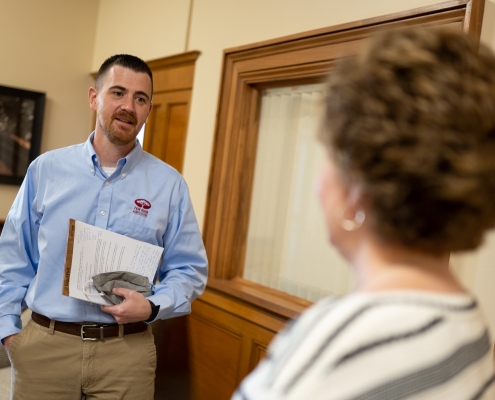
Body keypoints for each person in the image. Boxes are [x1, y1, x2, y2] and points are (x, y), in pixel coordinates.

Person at [233, 27, 495, 399]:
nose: (319, 182)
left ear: (357, 188)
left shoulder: (337, 346)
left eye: (327, 153)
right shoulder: (469, 324)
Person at [0, 54, 208, 399]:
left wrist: (153, 306)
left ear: (148, 110)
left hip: (126, 354)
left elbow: (189, 271)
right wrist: (8, 330)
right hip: (46, 348)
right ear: (94, 97)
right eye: (118, 93)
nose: (129, 106)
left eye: (140, 99)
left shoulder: (169, 186)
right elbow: (13, 258)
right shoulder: (45, 170)